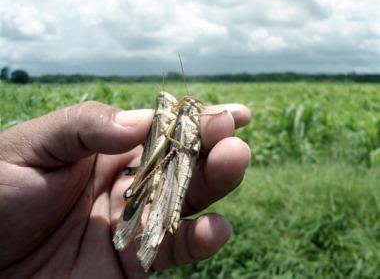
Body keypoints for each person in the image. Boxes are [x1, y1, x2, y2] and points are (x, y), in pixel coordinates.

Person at [0, 100, 251, 278]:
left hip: (172, 161)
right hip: (160, 162)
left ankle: (158, 222)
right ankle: (147, 221)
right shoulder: (166, 120)